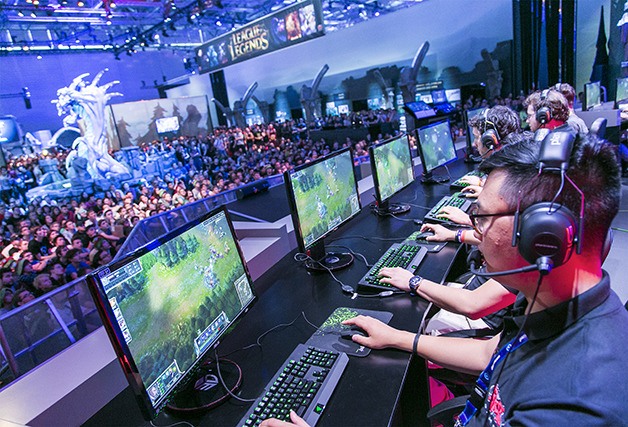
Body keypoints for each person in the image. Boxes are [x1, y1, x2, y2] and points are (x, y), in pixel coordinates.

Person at [263, 133, 628, 426]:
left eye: (481, 216)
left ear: (540, 236)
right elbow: (491, 351)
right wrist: (398, 337)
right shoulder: (552, 297)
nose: (473, 229)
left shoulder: (574, 405)